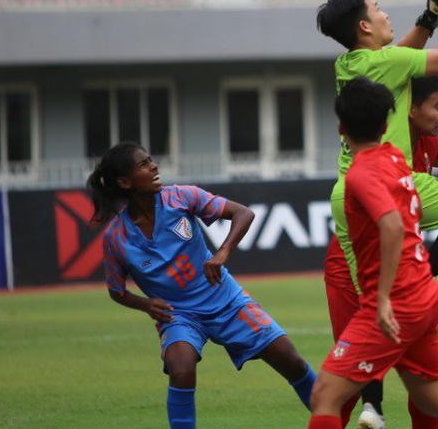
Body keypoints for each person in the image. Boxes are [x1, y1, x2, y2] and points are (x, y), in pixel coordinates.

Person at [317, 0, 438, 428]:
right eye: (377, 9)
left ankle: (372, 399)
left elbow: (399, 53)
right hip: (392, 178)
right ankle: (419, 292)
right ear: (364, 25)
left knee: (333, 385)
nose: (384, 13)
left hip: (356, 186)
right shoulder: (388, 64)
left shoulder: (350, 62)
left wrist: (427, 17)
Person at [92, 143, 317, 428]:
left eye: (151, 160)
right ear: (125, 182)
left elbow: (243, 213)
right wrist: (146, 304)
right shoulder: (116, 237)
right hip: (179, 315)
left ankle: (333, 418)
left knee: (292, 362)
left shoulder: (182, 197)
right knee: (181, 369)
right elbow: (116, 291)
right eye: (144, 164)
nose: (154, 166)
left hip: (225, 300)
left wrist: (221, 253)